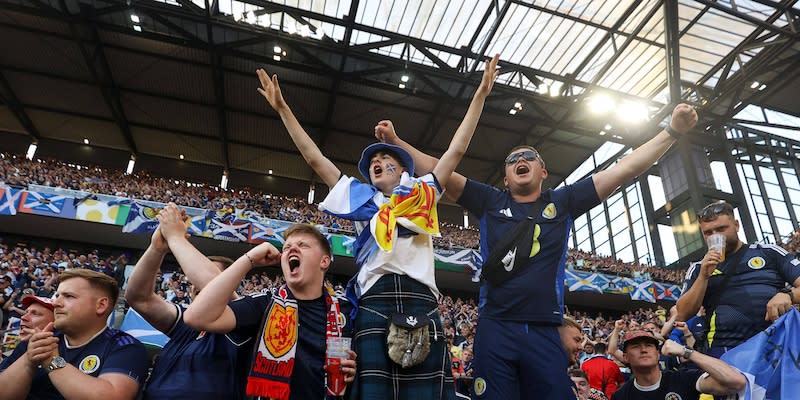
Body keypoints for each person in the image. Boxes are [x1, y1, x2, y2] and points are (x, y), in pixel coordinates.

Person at [379, 102, 698, 399]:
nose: (520, 161)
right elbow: (438, 170)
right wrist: (396, 142)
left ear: (543, 173)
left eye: (529, 157)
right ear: (505, 177)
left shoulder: (563, 202)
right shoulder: (490, 201)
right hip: (496, 326)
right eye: (512, 160)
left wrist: (671, 132)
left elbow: (624, 169)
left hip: (545, 329)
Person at [252, 52, 499, 400]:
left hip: (421, 300)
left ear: (404, 171)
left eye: (388, 159)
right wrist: (282, 109)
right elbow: (313, 158)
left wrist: (481, 95)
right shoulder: (358, 200)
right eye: (374, 162)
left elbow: (455, 151)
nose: (379, 163)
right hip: (374, 300)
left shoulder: (424, 193)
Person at [184, 223, 357, 400]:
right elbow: (196, 317)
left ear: (324, 261)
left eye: (302, 245)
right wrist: (249, 259)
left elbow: (360, 366)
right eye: (287, 247)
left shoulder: (346, 310)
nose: (292, 249)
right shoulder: (265, 303)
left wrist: (356, 369)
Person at [125, 203, 252, 399]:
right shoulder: (185, 323)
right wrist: (156, 249)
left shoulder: (246, 319)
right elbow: (138, 298)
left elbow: (212, 284)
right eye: (191, 278)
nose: (194, 283)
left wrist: (175, 237)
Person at [0, 269, 149, 400]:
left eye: (69, 296)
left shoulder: (125, 347)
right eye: (57, 296)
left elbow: (111, 396)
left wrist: (52, 361)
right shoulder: (40, 339)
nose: (56, 303)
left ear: (101, 305)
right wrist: (28, 361)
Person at [676, 200, 800, 357]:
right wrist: (703, 276)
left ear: (736, 225)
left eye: (721, 229)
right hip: (725, 349)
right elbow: (682, 314)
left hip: (775, 344)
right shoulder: (698, 268)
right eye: (708, 233)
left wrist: (787, 295)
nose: (715, 236)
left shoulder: (768, 252)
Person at [611, 330, 745, 400]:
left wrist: (686, 352)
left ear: (658, 354)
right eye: (636, 346)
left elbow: (736, 382)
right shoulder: (621, 396)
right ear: (625, 357)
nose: (644, 349)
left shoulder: (683, 379)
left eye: (649, 345)